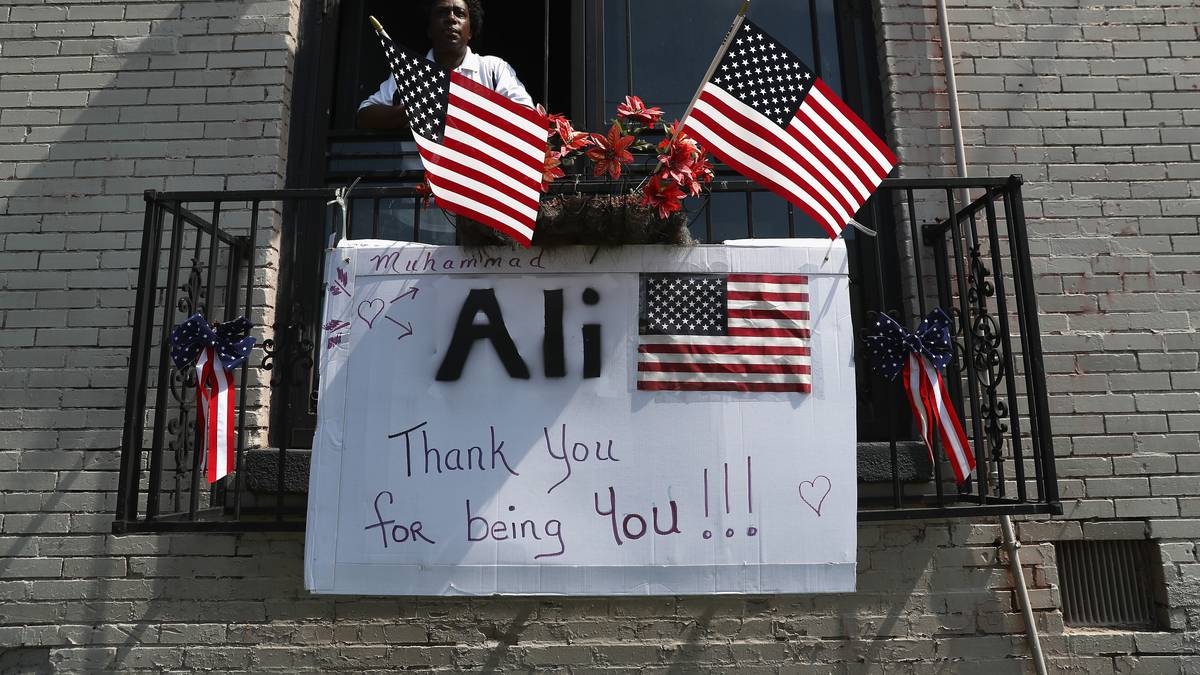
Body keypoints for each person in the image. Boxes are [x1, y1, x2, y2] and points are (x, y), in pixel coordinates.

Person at [357, 0, 534, 130]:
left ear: (470, 31)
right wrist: (412, 108)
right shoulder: (411, 71)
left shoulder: (494, 69)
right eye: (442, 12)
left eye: (459, 13)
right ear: (429, 29)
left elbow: (528, 117)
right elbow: (364, 116)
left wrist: (464, 106)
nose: (451, 19)